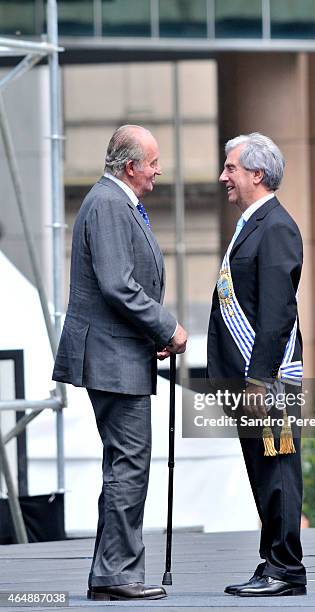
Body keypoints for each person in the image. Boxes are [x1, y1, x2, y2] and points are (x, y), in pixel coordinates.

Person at [53, 125, 187, 601]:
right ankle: (117, 574)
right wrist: (166, 328)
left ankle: (111, 571)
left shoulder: (112, 202)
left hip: (118, 353)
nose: (157, 170)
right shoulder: (110, 204)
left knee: (123, 464)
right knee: (129, 464)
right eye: (152, 162)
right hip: (111, 358)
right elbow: (118, 284)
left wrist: (150, 333)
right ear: (131, 167)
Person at [207, 132, 306, 597]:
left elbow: (277, 311)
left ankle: (286, 569)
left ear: (256, 174)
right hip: (251, 379)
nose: (223, 176)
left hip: (268, 382)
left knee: (279, 470)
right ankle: (272, 563)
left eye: (231, 168)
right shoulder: (254, 224)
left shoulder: (276, 226)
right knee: (264, 474)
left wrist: (260, 379)